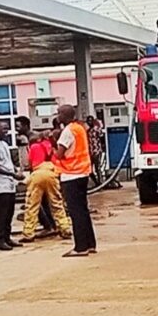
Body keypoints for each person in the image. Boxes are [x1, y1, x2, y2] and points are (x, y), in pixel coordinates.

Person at [53, 104, 96, 257]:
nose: (57, 116)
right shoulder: (79, 128)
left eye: (59, 113)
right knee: (83, 211)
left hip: (70, 175)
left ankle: (80, 247)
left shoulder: (67, 131)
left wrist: (53, 142)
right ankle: (90, 243)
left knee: (76, 212)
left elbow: (59, 154)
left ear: (64, 115)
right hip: (83, 173)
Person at [22, 132, 72, 243]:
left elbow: (30, 164)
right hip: (52, 173)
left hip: (38, 174)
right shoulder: (49, 145)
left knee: (32, 205)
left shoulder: (34, 147)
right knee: (57, 203)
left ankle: (28, 233)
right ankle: (65, 228)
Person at [0, 119, 24, 251]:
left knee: (10, 212)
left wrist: (15, 170)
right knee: (3, 212)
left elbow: (7, 162)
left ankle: (7, 237)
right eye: (3, 129)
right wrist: (11, 174)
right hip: (1, 184)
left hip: (9, 183)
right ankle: (0, 239)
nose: (6, 132)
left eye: (7, 129)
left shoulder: (4, 144)